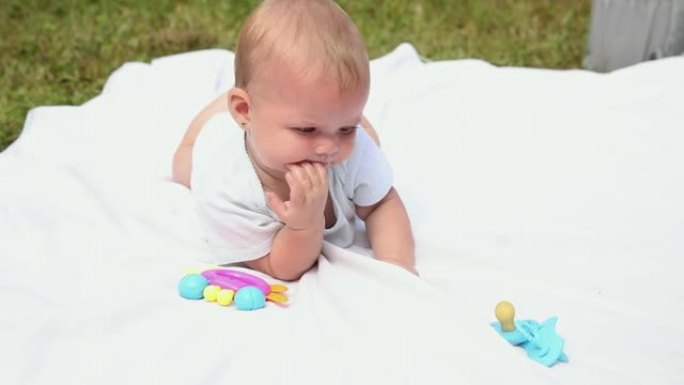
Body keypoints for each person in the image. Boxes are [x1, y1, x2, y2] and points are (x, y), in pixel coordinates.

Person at [172, 0, 416, 280]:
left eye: (347, 128)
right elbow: (278, 267)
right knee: (181, 168)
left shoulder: (348, 149)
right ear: (243, 111)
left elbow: (381, 203)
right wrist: (305, 226)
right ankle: (226, 107)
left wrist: (398, 265)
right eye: (306, 130)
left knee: (367, 140)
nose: (329, 147)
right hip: (216, 140)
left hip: (268, 116)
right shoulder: (226, 187)